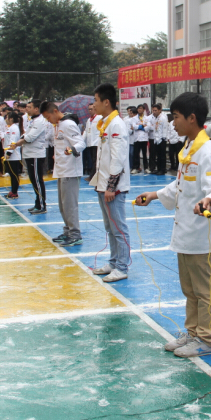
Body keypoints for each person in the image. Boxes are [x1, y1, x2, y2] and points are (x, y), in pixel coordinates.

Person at [135, 92, 211, 358]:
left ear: (191, 118)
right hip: (187, 232)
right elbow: (180, 185)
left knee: (204, 290)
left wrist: (208, 201)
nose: (172, 123)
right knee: (190, 290)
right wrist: (154, 195)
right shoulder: (189, 147)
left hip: (203, 234)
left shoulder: (207, 151)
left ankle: (206, 339)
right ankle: (192, 332)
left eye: (176, 117)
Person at [89, 84, 131, 282]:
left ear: (106, 102)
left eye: (96, 100)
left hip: (113, 188)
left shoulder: (116, 125)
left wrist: (111, 186)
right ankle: (113, 262)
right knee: (110, 227)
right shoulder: (105, 123)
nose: (93, 104)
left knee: (119, 228)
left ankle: (122, 267)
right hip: (103, 184)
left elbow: (118, 158)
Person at [41, 101, 85, 246]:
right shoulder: (57, 125)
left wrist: (72, 149)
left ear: (55, 111)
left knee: (70, 204)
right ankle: (68, 231)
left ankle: (75, 234)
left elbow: (80, 143)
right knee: (63, 204)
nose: (48, 120)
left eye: (48, 117)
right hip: (61, 169)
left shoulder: (68, 124)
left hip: (70, 170)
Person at [13, 99, 49, 214]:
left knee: (37, 180)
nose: (27, 109)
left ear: (36, 109)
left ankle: (42, 205)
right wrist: (20, 140)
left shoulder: (40, 121)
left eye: (29, 107)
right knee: (33, 180)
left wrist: (18, 143)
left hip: (36, 154)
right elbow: (26, 134)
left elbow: (30, 137)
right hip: (29, 154)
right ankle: (37, 203)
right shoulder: (32, 120)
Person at [3, 112, 23, 199]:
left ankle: (15, 192)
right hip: (10, 155)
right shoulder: (10, 127)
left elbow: (13, 141)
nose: (6, 119)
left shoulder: (14, 128)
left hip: (14, 155)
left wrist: (9, 153)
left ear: (11, 119)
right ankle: (13, 190)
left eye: (7, 117)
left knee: (14, 174)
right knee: (11, 174)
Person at [82, 103, 101, 181]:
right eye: (89, 109)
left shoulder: (99, 118)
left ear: (95, 109)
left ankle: (93, 176)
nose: (90, 111)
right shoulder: (89, 120)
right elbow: (86, 131)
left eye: (91, 109)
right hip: (90, 143)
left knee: (96, 160)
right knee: (93, 160)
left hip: (97, 142)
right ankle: (93, 176)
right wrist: (81, 140)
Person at [149, 103, 169, 175]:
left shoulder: (163, 118)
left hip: (162, 139)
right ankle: (158, 168)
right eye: (153, 110)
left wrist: (164, 138)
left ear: (159, 110)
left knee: (162, 156)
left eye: (155, 110)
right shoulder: (155, 118)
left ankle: (162, 169)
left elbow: (165, 128)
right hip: (156, 139)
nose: (154, 112)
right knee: (158, 155)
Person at [131, 104, 149, 174]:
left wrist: (139, 127)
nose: (139, 110)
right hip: (137, 138)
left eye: (141, 108)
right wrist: (142, 126)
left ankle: (146, 168)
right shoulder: (134, 118)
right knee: (136, 154)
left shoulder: (147, 118)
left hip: (144, 138)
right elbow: (134, 127)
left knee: (144, 154)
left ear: (144, 110)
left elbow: (148, 127)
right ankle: (136, 167)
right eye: (138, 108)